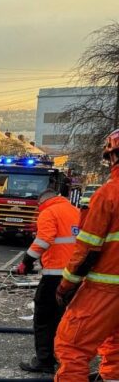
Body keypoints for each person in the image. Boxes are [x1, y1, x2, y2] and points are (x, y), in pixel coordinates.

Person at [54, 129, 119, 380]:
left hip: (106, 289)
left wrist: (66, 286)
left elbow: (87, 249)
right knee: (115, 351)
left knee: (72, 348)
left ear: (111, 156)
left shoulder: (109, 193)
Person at [13, 189, 79, 373]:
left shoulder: (48, 212)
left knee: (44, 317)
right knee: (64, 318)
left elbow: (44, 239)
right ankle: (63, 357)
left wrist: (26, 262)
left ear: (42, 201)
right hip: (75, 274)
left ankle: (44, 360)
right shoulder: (75, 211)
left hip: (54, 275)